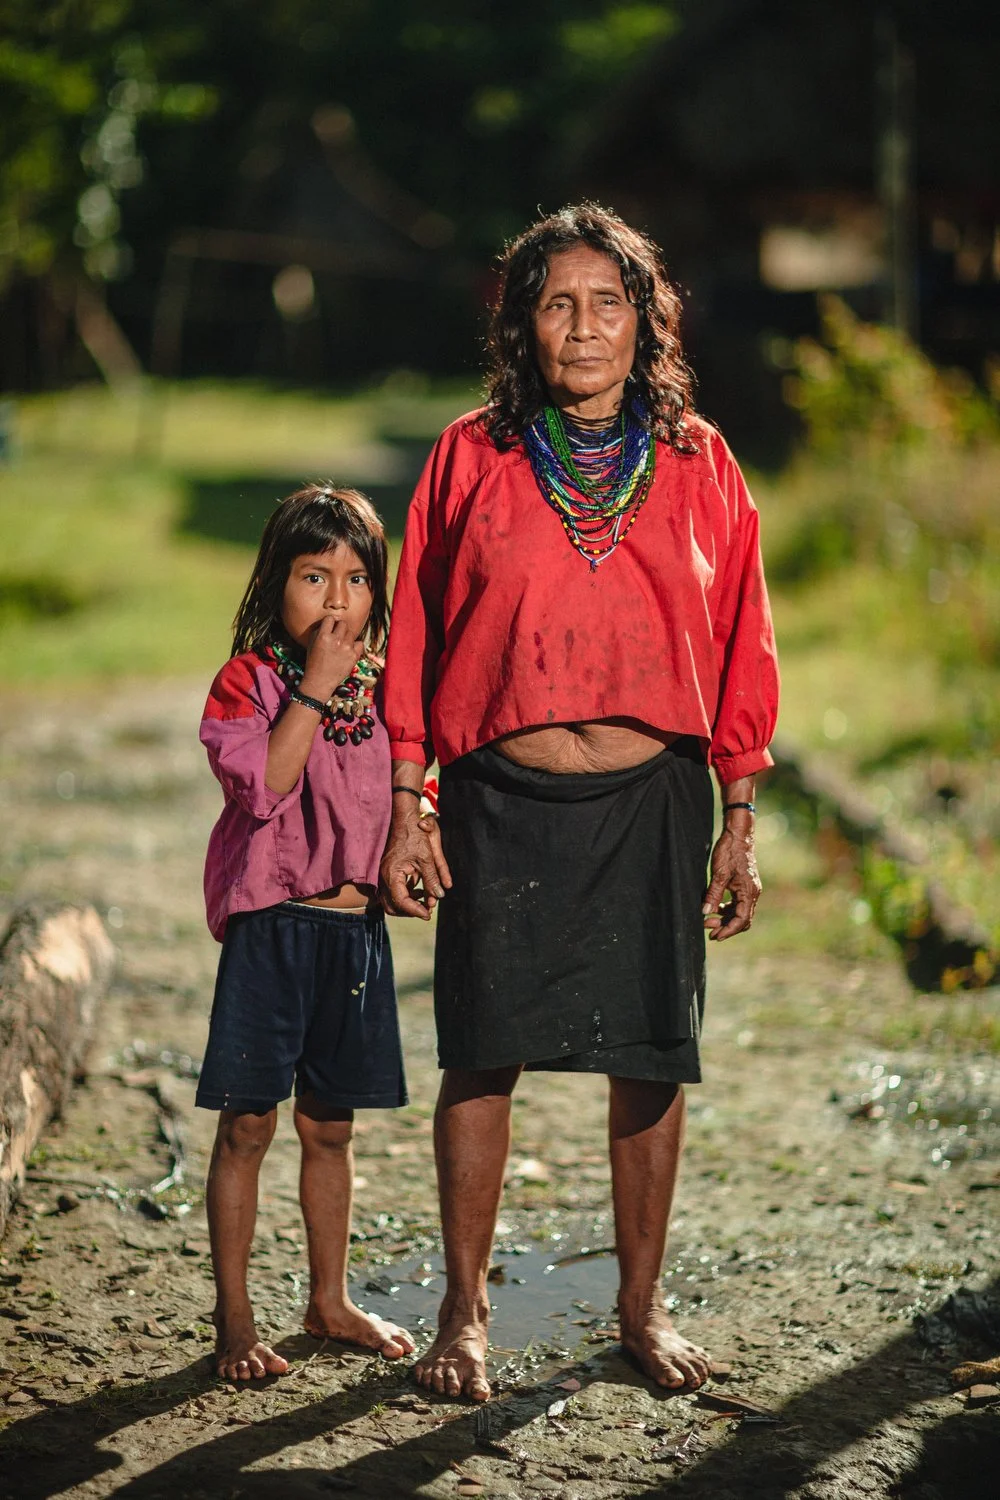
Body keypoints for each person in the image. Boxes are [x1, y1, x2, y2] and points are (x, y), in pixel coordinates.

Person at [380, 204, 779, 1402]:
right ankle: (463, 1315)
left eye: (609, 302)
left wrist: (738, 815)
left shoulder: (702, 461)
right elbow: (415, 634)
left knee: (650, 1057)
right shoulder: (470, 454)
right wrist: (410, 798)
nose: (584, 326)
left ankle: (641, 1310)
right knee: (482, 1056)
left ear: (645, 322)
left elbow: (742, 637)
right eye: (557, 302)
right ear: (523, 325)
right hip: (499, 801)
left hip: (650, 800)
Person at [196, 485, 416, 1381]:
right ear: (273, 584)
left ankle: (328, 1300)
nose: (336, 600)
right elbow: (267, 786)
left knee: (332, 1130)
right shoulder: (249, 682)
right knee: (249, 1126)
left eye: (357, 580)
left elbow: (409, 786)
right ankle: (236, 1319)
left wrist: (420, 830)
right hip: (272, 933)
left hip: (354, 938)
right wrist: (315, 688)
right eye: (313, 576)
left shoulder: (391, 688)